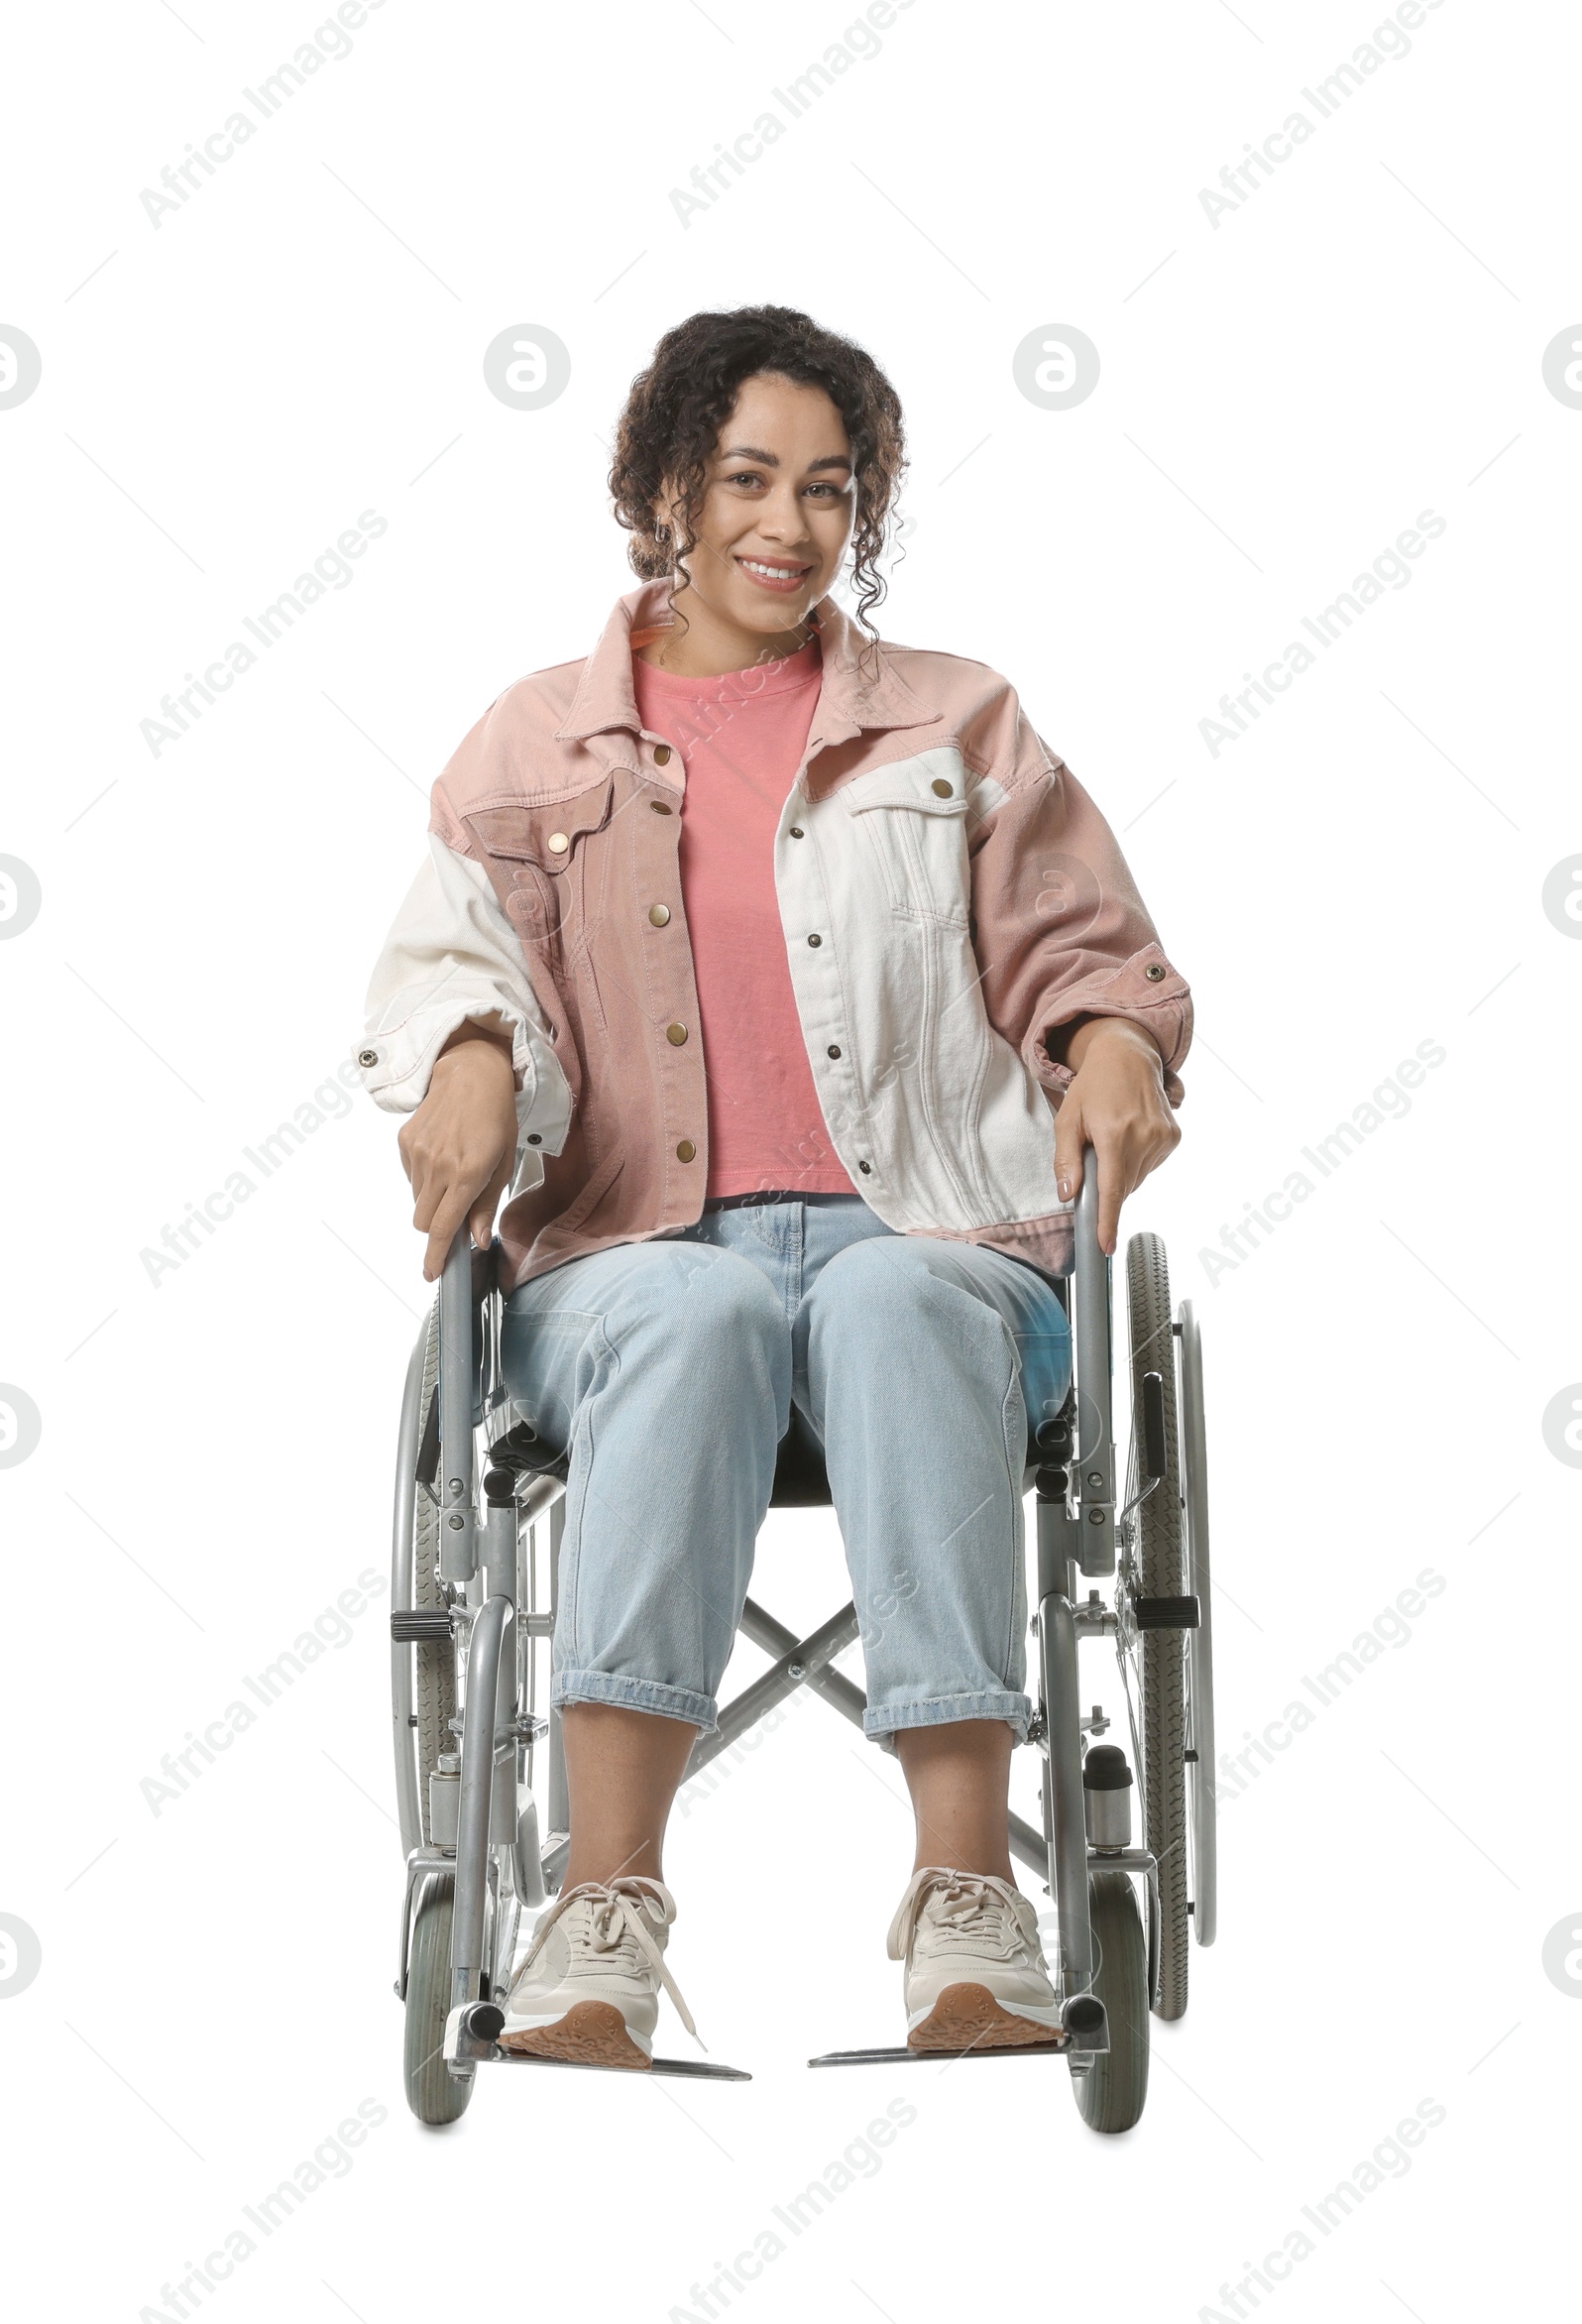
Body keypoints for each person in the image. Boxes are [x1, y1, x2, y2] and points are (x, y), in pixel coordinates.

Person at [356, 304, 1190, 2068]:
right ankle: (602, 1907)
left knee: (890, 1297)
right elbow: (449, 970)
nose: (788, 525)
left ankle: (972, 1909)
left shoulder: (955, 721)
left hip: (938, 1237)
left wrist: (1114, 1031)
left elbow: (1083, 945)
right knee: (698, 1299)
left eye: (829, 489)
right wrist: (474, 1057)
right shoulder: (537, 743)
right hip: (626, 1255)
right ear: (665, 485)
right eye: (747, 479)